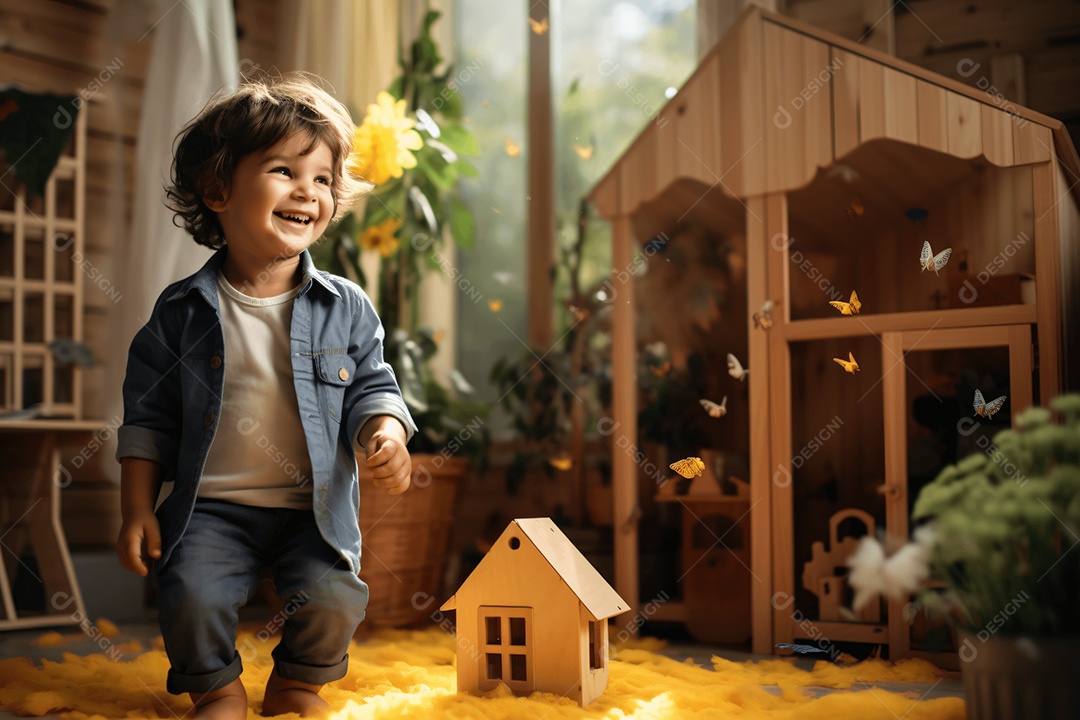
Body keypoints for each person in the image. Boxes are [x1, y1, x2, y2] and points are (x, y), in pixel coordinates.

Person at [115, 74, 415, 719]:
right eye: (284, 171)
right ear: (218, 190)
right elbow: (147, 420)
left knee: (333, 595)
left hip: (314, 509)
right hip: (212, 507)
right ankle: (217, 689)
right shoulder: (182, 312)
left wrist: (384, 430)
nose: (309, 191)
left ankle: (298, 684)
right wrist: (138, 507)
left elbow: (372, 384)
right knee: (190, 591)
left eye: (324, 180)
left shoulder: (347, 307)